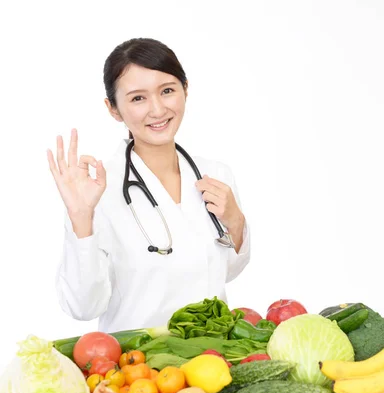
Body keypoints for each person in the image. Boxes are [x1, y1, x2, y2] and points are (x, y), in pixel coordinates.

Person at [47, 38, 251, 333]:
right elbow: (83, 307)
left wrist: (235, 220)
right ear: (113, 109)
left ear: (185, 90)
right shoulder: (95, 191)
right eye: (137, 98)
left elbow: (227, 271)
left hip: (210, 362)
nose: (157, 110)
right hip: (138, 369)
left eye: (167, 91)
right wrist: (80, 218)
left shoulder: (215, 174)